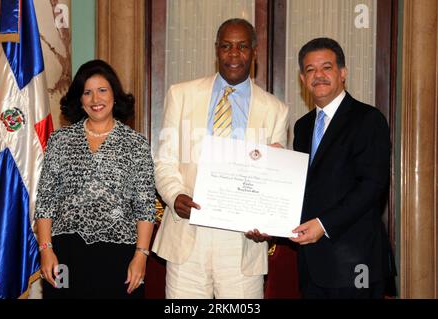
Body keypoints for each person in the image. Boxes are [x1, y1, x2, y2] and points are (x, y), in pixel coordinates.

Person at [151, 18, 289, 299]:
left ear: (254, 51)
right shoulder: (181, 95)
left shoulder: (276, 109)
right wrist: (174, 195)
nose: (234, 54)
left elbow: (275, 180)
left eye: (242, 47)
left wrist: (267, 222)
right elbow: (164, 160)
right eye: (226, 46)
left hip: (242, 245)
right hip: (188, 235)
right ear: (216, 50)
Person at [34, 59, 156, 299]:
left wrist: (141, 255)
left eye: (102, 90)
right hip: (65, 253)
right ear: (80, 99)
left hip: (119, 256)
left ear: (114, 94)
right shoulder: (60, 141)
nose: (95, 99)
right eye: (87, 92)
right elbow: (46, 199)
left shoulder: (136, 144)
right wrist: (46, 249)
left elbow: (145, 206)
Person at [289, 37, 395, 298]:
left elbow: (372, 186)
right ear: (303, 79)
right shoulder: (302, 127)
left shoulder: (368, 119)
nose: (319, 75)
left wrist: (323, 225)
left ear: (342, 73)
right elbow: (306, 186)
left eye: (327, 67)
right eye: (310, 70)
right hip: (312, 265)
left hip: (355, 263)